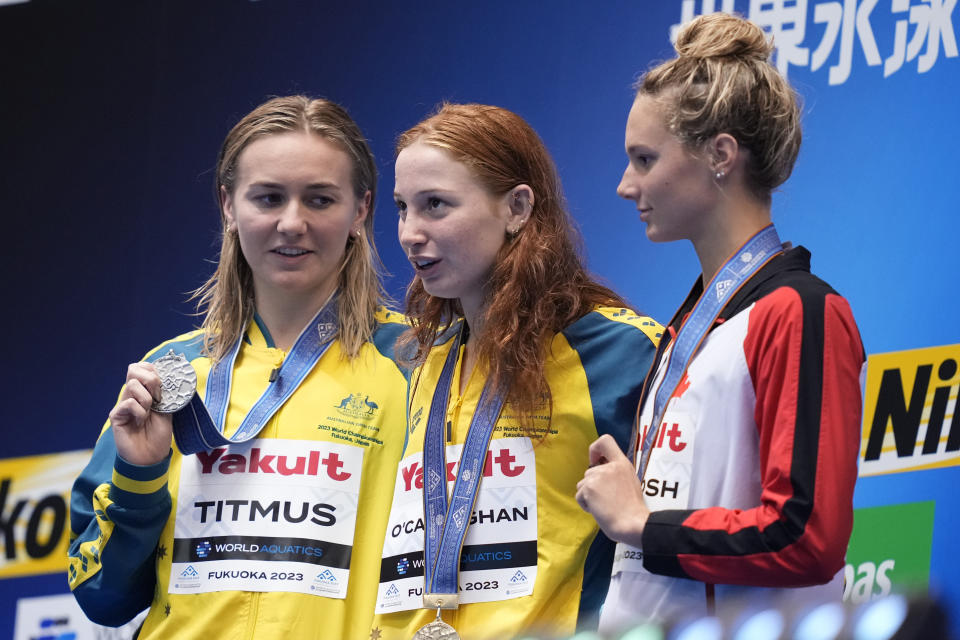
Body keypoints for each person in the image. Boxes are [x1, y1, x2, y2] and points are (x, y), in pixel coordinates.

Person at [68, 96, 408, 639]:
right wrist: (139, 476)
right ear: (228, 205)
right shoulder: (169, 371)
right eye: (268, 197)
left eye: (319, 199)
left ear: (361, 210)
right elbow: (102, 598)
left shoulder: (418, 364)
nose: (292, 223)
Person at [576, 13, 866, 630]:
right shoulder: (691, 325)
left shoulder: (799, 311)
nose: (626, 185)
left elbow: (805, 536)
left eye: (645, 159)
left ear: (720, 155)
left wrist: (640, 525)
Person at [369, 103, 661, 640]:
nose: (410, 232)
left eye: (436, 205)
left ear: (518, 208)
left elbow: (678, 539)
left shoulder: (624, 350)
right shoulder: (423, 362)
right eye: (402, 208)